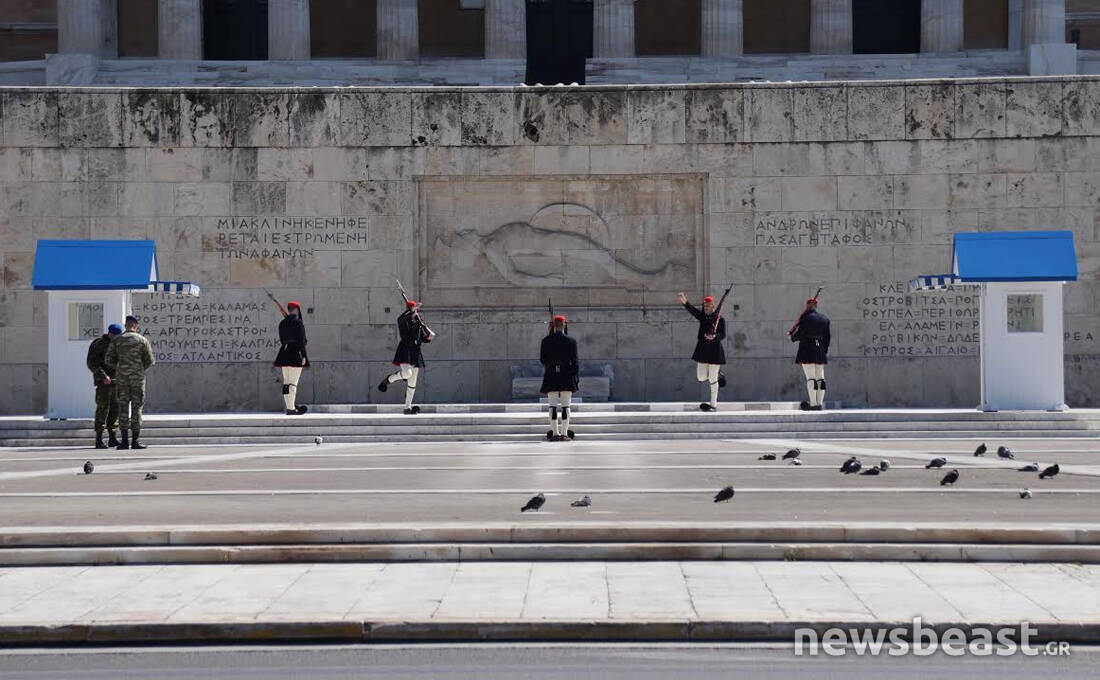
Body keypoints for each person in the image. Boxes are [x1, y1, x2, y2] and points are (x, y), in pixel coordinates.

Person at [104, 315, 155, 450]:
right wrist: (138, 368)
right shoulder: (142, 340)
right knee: (137, 409)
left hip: (122, 379)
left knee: (123, 409)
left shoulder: (117, 340)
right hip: (137, 380)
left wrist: (121, 368)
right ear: (136, 326)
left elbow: (108, 360)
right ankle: (136, 441)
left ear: (126, 325)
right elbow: (150, 360)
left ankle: (125, 441)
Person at [378, 299, 435, 414]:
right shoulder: (404, 321)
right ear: (409, 310)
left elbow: (429, 337)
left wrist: (424, 327)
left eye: (416, 310)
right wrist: (411, 311)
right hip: (405, 351)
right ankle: (388, 379)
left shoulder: (418, 323)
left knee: (412, 383)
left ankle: (407, 408)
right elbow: (400, 318)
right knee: (407, 374)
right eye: (413, 310)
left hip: (415, 353)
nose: (415, 312)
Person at [678, 292, 727, 411]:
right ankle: (718, 374)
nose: (705, 308)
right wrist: (685, 302)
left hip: (715, 352)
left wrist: (714, 337)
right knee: (701, 377)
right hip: (703, 351)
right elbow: (693, 311)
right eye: (704, 306)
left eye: (708, 306)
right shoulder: (703, 317)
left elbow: (723, 335)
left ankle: (713, 404)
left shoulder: (720, 319)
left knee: (712, 379)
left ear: (713, 306)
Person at [540, 315, 579, 441]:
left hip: (551, 375)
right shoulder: (571, 341)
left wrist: (552, 367)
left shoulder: (546, 341)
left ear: (553, 326)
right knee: (566, 407)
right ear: (564, 325)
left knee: (552, 406)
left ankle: (555, 434)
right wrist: (574, 377)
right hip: (566, 375)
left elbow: (543, 360)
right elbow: (575, 362)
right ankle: (564, 434)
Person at [788, 297, 831, 411]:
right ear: (816, 306)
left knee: (811, 378)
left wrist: (791, 337)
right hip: (820, 350)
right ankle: (819, 404)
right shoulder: (824, 319)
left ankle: (813, 404)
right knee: (820, 379)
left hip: (807, 349)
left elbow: (801, 333)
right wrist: (823, 350)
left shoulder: (805, 318)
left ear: (808, 305)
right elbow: (827, 339)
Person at [86, 323, 122, 449]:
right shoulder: (99, 344)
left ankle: (112, 437)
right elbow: (91, 363)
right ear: (110, 333)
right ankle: (99, 439)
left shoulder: (118, 345)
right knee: (103, 409)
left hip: (116, 382)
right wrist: (103, 376)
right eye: (116, 335)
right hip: (104, 383)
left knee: (115, 409)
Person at [272, 300, 309, 416]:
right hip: (295, 354)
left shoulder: (282, 323)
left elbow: (282, 340)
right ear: (297, 309)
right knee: (292, 383)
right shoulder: (298, 322)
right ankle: (291, 408)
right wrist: (303, 355)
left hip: (284, 353)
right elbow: (302, 341)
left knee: (286, 383)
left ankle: (290, 406)